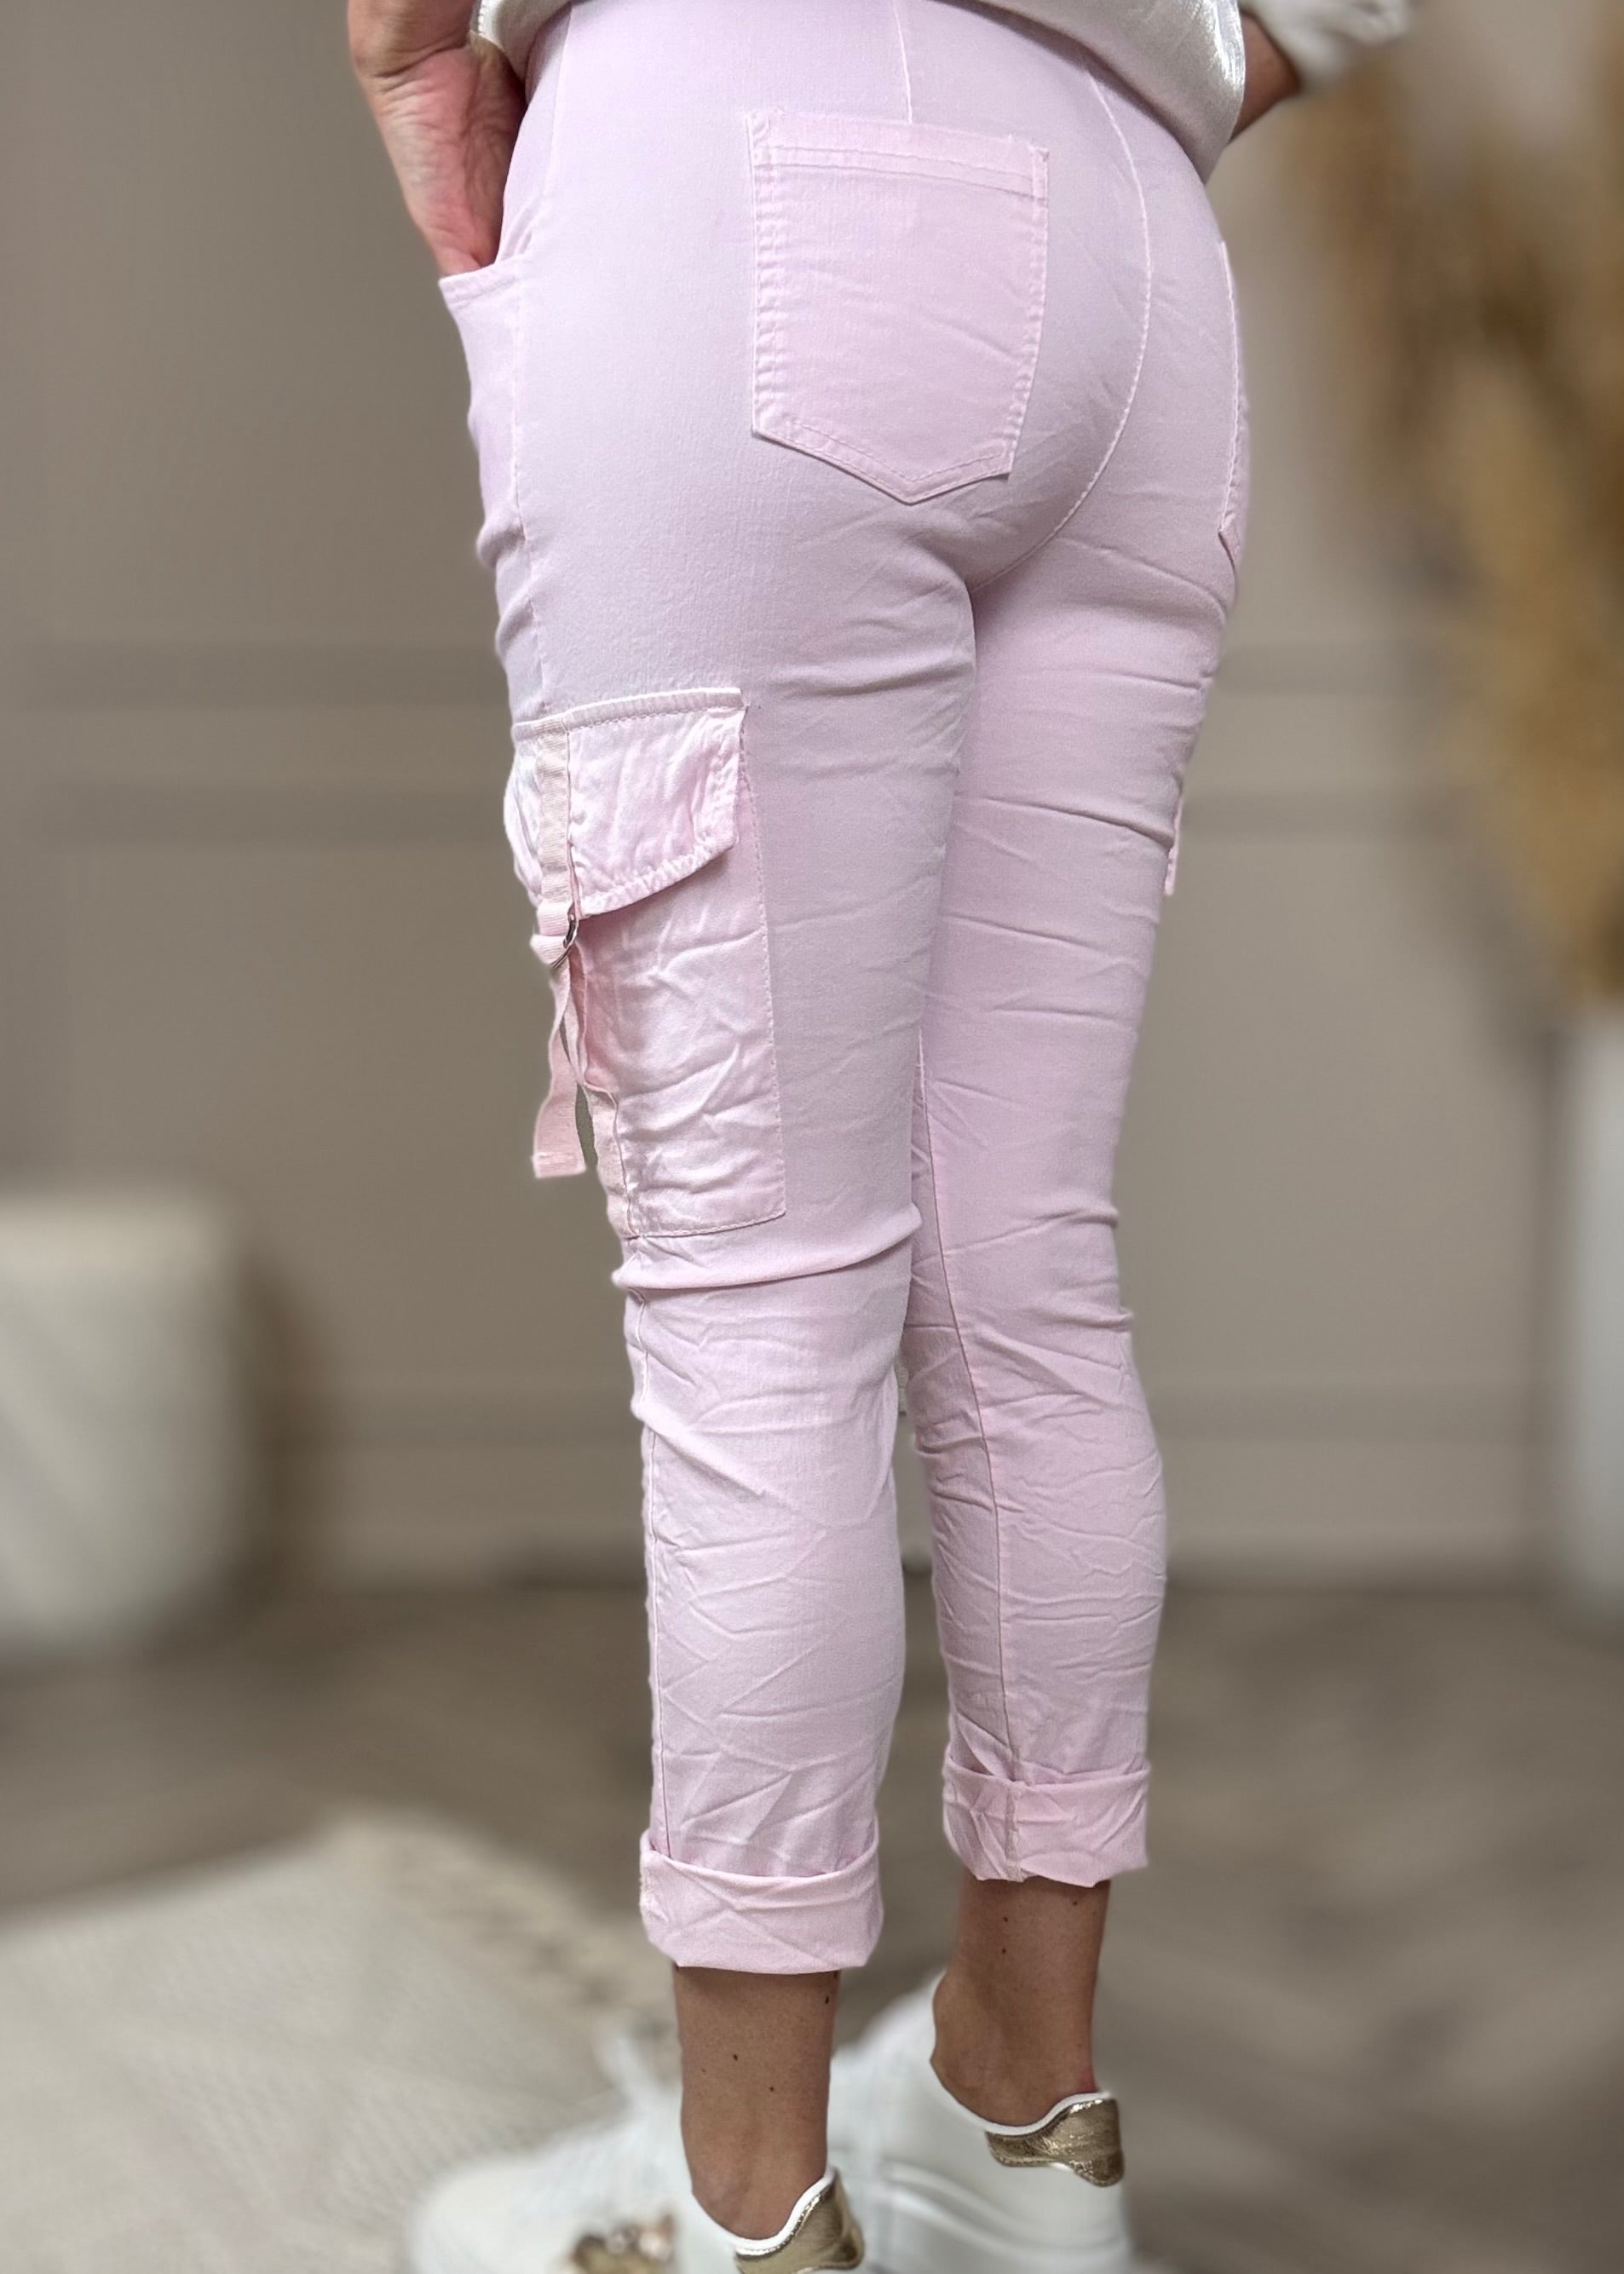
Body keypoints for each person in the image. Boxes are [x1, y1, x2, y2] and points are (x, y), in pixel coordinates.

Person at [350, 3, 1414, 2269]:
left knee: (757, 1315)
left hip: (735, 158)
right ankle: (1024, 2136)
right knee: (1024, 1271)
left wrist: (420, 71)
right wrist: (1213, 41)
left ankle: (750, 2216)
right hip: (1137, 264)